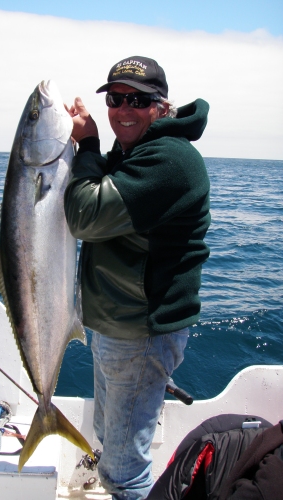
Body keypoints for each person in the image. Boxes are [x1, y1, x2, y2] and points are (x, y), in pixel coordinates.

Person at [64, 55, 211, 500]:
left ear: (162, 106)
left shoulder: (170, 159)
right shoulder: (136, 152)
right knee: (111, 440)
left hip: (140, 332)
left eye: (138, 100)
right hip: (116, 327)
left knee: (125, 472)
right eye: (114, 98)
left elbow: (85, 216)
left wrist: (88, 146)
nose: (123, 108)